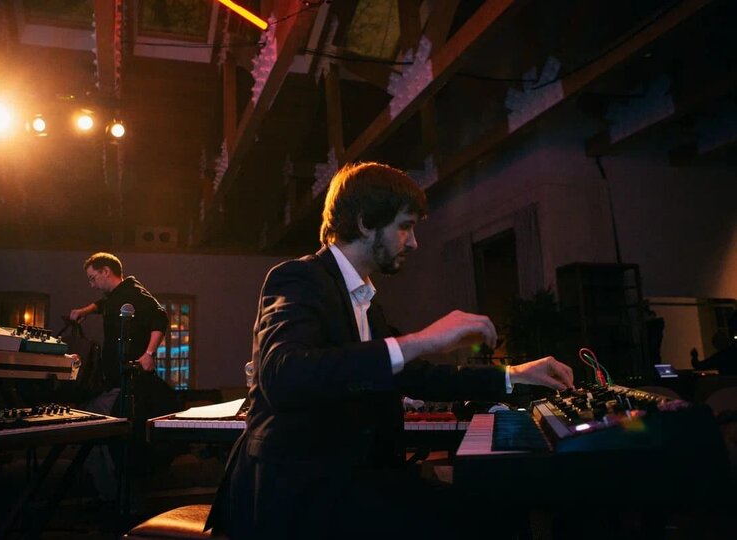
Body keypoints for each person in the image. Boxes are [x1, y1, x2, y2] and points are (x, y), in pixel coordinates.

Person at [206, 162, 575, 539]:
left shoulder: (366, 301)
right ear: (366, 223)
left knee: (500, 510)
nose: (413, 242)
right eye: (405, 226)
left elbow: (416, 376)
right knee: (487, 521)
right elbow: (284, 376)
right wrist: (424, 339)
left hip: (352, 481)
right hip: (298, 492)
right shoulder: (298, 278)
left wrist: (513, 375)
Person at [69, 252, 170, 502]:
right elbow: (105, 304)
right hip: (113, 381)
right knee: (94, 429)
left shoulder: (134, 292)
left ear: (106, 271)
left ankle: (114, 497)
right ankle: (109, 493)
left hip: (128, 382)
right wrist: (86, 310)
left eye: (93, 278)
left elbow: (161, 317)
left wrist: (149, 353)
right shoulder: (116, 297)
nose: (91, 284)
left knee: (94, 426)